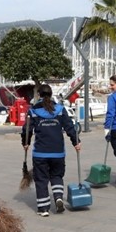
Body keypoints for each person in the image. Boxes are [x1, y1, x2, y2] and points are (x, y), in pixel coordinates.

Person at [22, 83, 81, 216]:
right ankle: (58, 197)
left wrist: (25, 143)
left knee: (41, 179)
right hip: (58, 152)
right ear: (51, 94)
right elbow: (70, 127)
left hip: (40, 153)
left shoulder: (33, 111)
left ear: (39, 95)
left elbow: (26, 130)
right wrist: (76, 142)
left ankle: (43, 209)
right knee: (57, 175)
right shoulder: (60, 109)